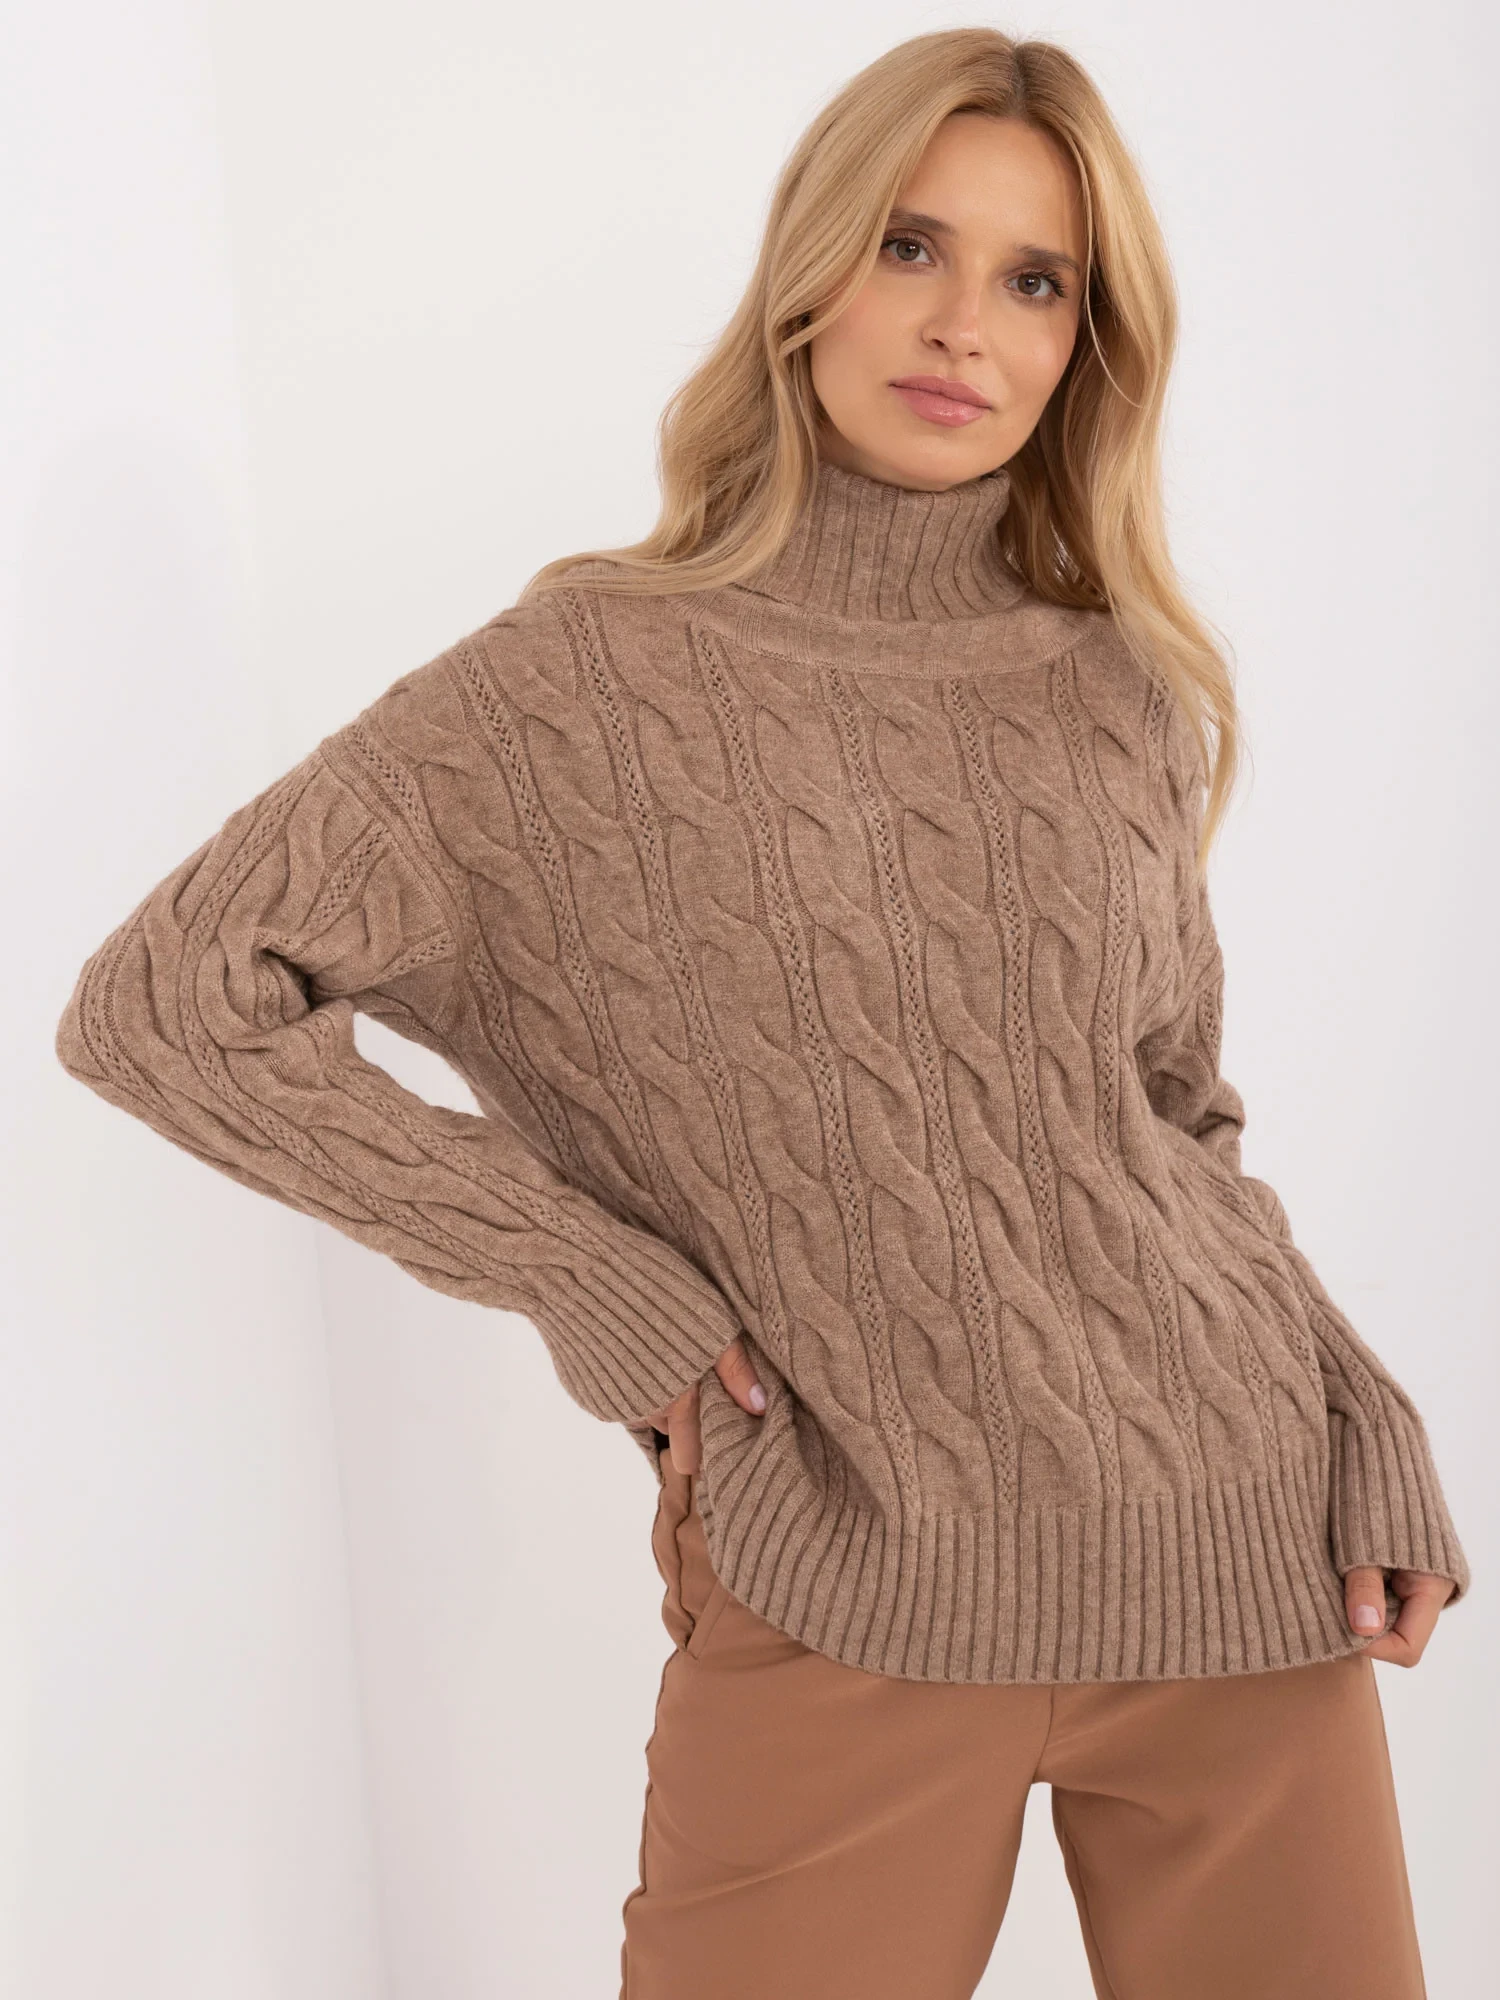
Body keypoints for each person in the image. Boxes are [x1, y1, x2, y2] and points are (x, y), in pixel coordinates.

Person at [54, 25, 1469, 2000]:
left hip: (1237, 1552)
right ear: (811, 267)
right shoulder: (573, 684)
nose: (963, 324)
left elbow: (1169, 1125)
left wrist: (1359, 1404)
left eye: (1037, 282)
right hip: (843, 1567)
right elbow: (164, 1005)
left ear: (1088, 347)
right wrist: (581, 1272)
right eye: (912, 244)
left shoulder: (1119, 695)